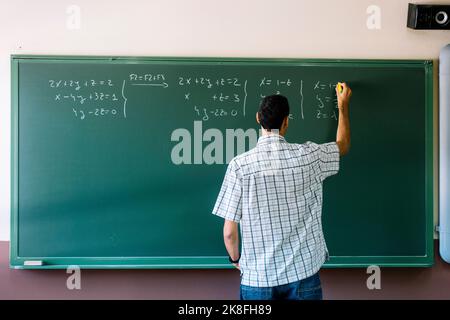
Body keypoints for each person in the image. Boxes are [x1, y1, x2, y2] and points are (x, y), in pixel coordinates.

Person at [212, 82, 352, 300]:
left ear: (258, 118)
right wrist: (342, 105)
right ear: (286, 121)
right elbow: (342, 145)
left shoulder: (239, 166)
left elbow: (229, 232)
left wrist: (235, 259)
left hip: (257, 279)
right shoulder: (309, 156)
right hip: (303, 275)